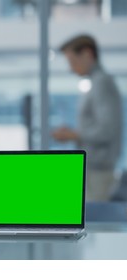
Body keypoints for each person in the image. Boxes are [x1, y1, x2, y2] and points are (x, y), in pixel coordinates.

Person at [52, 34, 123, 202]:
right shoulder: (94, 83)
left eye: (72, 62)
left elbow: (107, 130)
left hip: (98, 172)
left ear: (87, 54)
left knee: (92, 222)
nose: (71, 69)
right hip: (93, 171)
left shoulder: (102, 82)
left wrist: (74, 135)